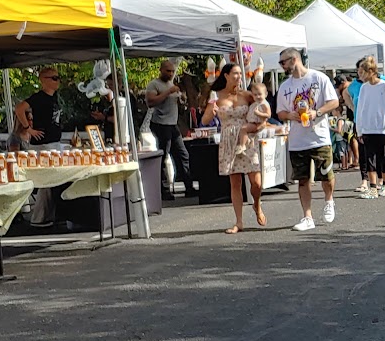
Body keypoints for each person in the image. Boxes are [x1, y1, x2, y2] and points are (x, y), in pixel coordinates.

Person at [275, 47, 340, 232]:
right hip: (297, 139)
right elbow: (280, 112)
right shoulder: (285, 86)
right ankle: (307, 216)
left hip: (319, 136)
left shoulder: (318, 78)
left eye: (283, 62)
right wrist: (290, 115)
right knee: (302, 179)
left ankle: (329, 201)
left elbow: (334, 102)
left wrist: (317, 112)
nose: (282, 66)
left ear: (294, 59)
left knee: (325, 175)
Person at [200, 62, 270, 233]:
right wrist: (212, 110)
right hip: (228, 140)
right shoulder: (216, 95)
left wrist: (259, 126)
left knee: (256, 182)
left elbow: (263, 111)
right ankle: (239, 222)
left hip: (247, 139)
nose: (239, 77)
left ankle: (257, 204)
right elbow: (205, 121)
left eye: (240, 73)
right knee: (235, 182)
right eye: (235, 73)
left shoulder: (247, 95)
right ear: (226, 75)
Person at [144, 59, 194, 201]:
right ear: (161, 70)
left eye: (172, 71)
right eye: (168, 71)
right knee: (164, 155)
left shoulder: (171, 84)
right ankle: (164, 190)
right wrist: (168, 92)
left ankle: (188, 186)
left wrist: (180, 97)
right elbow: (150, 102)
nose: (171, 74)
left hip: (173, 124)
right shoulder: (154, 84)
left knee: (183, 154)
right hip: (160, 123)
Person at [353, 57, 385, 199]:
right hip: (368, 129)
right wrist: (359, 129)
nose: (360, 75)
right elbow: (360, 110)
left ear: (370, 71)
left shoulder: (384, 86)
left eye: (362, 72)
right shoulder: (364, 88)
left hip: (383, 129)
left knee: (384, 159)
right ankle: (373, 188)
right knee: (370, 160)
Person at [15, 67, 63, 146]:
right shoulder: (38, 97)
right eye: (54, 78)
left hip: (55, 142)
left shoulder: (55, 96)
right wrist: (29, 129)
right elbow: (19, 109)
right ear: (44, 80)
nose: (58, 81)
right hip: (42, 144)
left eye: (58, 78)